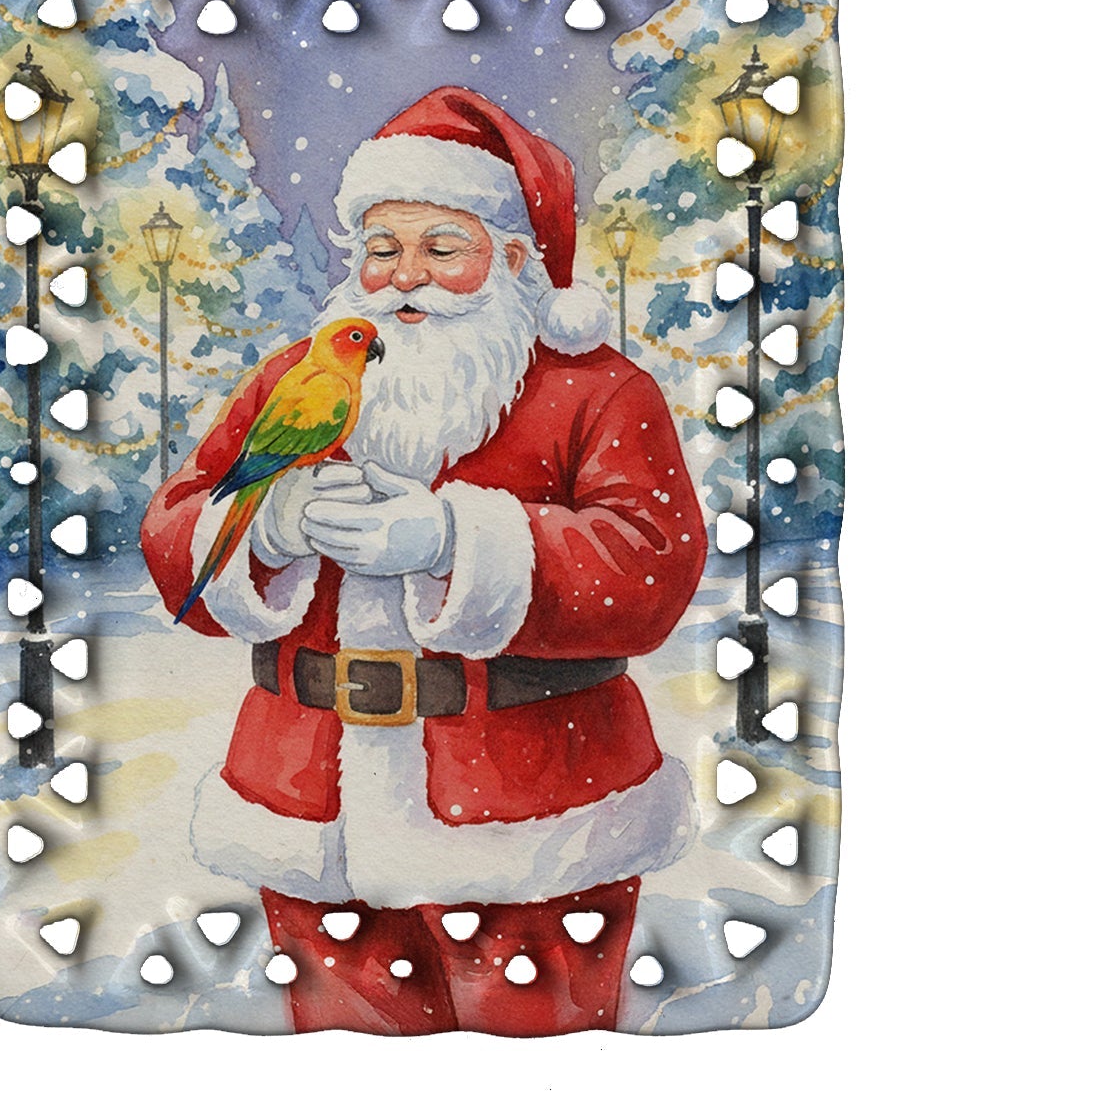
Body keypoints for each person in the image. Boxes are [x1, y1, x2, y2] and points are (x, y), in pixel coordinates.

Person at [143, 86, 707, 1035]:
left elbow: (652, 567)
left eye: (442, 249)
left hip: (536, 811)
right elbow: (177, 527)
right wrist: (265, 527)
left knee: (543, 1056)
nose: (405, 276)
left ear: (513, 260)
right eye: (381, 248)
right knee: (342, 1054)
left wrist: (458, 540)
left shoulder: (598, 390)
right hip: (306, 803)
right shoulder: (297, 375)